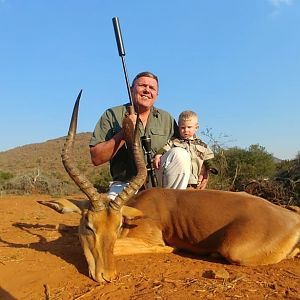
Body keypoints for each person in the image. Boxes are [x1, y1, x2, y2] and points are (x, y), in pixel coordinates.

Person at [89, 71, 209, 198]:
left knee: (180, 154)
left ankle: (171, 205)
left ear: (156, 95)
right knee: (112, 214)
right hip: (126, 184)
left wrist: (203, 167)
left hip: (157, 181)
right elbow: (96, 158)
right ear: (131, 89)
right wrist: (124, 133)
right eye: (142, 86)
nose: (147, 90)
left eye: (152, 88)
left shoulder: (166, 118)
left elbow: (189, 145)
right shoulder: (112, 115)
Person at [153, 110, 215, 189]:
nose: (186, 130)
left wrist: (210, 168)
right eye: (182, 127)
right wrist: (158, 155)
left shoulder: (202, 145)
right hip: (181, 180)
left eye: (189, 127)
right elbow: (165, 148)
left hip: (196, 181)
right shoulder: (174, 141)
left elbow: (208, 158)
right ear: (178, 127)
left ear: (196, 127)